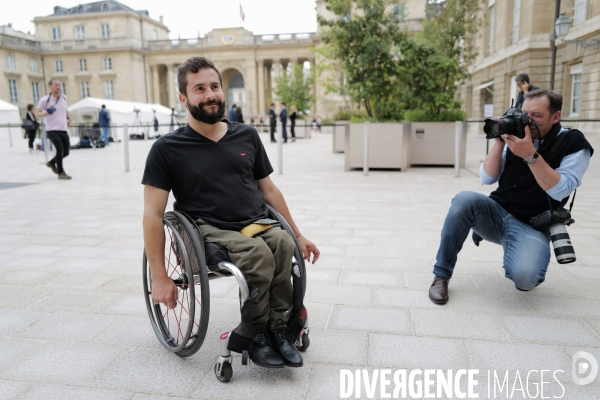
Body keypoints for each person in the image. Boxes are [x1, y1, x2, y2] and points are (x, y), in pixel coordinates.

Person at [142, 57, 320, 369]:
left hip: (255, 221)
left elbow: (269, 191)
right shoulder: (167, 148)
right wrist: (159, 276)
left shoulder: (247, 135)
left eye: (214, 86)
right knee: (257, 255)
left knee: (282, 243)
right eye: (199, 89)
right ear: (183, 98)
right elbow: (152, 214)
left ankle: (277, 328)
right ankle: (253, 333)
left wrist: (299, 234)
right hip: (206, 228)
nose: (210, 94)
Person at [428, 90, 593, 305]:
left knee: (526, 280)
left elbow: (560, 190)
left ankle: (518, 250)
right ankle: (441, 275)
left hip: (532, 225)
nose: (526, 120)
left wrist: (530, 155)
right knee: (463, 200)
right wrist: (499, 142)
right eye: (523, 113)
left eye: (536, 115)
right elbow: (487, 177)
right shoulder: (517, 135)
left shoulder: (573, 142)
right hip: (496, 213)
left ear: (556, 117)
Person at [36, 79, 72, 180]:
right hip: (52, 129)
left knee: (66, 152)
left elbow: (65, 109)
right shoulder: (45, 100)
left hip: (63, 128)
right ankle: (61, 173)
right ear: (50, 86)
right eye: (56, 85)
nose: (58, 87)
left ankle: (51, 163)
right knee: (60, 149)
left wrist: (69, 118)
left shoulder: (64, 98)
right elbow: (37, 113)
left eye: (59, 85)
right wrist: (46, 114)